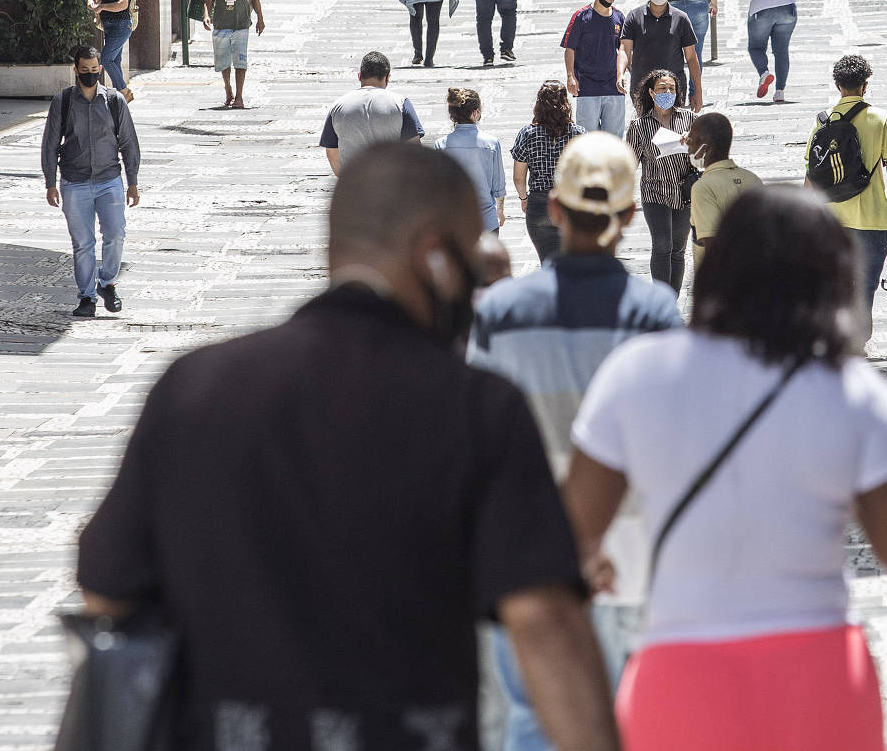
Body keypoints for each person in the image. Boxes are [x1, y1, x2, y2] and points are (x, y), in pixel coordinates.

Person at [76, 145, 618, 751]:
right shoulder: (477, 410)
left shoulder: (194, 390)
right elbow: (545, 624)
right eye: (469, 265)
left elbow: (105, 584)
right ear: (435, 256)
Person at [561, 184, 887, 751]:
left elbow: (569, 535)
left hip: (680, 673)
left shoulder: (637, 374)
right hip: (818, 672)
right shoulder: (850, 390)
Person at [471, 134, 679, 751]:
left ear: (554, 209)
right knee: (621, 718)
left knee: (531, 717)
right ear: (631, 217)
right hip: (628, 553)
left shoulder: (502, 313)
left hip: (524, 554)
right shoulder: (654, 313)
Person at [42, 43, 142, 319]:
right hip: (74, 182)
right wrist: (50, 181)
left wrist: (132, 181)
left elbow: (129, 142)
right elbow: (50, 143)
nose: (89, 74)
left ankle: (107, 282)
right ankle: (86, 297)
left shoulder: (113, 101)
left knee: (115, 235)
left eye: (94, 70)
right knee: (82, 243)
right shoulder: (62, 102)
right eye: (84, 70)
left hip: (109, 179)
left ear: (100, 70)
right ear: (75, 70)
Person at [816, 53, 887, 344]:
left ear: (837, 85)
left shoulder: (823, 121)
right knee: (866, 285)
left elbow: (811, 173)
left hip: (832, 220)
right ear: (865, 85)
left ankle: (841, 339)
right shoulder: (881, 119)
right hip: (873, 218)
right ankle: (858, 340)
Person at [626, 70, 697, 292]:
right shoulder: (639, 126)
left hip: (684, 192)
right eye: (662, 89)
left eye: (671, 89)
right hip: (654, 192)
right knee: (662, 245)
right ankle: (659, 297)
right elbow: (629, 162)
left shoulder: (690, 119)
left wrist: (693, 143)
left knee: (678, 248)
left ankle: (672, 299)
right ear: (651, 92)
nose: (667, 92)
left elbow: (705, 153)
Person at [513, 82, 585, 263]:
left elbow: (518, 177)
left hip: (539, 203)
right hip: (570, 203)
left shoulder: (528, 133)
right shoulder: (578, 134)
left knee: (548, 264)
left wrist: (524, 199)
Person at [320, 51, 426, 172]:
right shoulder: (401, 103)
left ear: (359, 76)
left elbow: (332, 152)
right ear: (387, 77)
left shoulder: (338, 106)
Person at [198, 0, 266, 105]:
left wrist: (260, 18)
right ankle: (228, 89)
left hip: (241, 24)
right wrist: (206, 15)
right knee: (223, 61)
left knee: (241, 61)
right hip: (221, 24)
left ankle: (240, 96)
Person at [621, 0, 703, 109]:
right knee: (647, 128)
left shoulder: (681, 18)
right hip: (643, 89)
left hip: (673, 88)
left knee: (672, 129)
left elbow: (692, 58)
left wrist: (698, 92)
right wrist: (621, 73)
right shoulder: (634, 16)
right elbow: (624, 49)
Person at [561, 0, 629, 133]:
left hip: (614, 87)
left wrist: (621, 75)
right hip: (587, 87)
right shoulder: (581, 16)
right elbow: (569, 48)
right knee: (587, 138)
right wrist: (570, 76)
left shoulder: (619, 17)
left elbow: (623, 49)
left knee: (614, 140)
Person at [436, 86, 509, 232]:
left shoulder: (441, 144)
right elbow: (498, 184)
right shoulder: (491, 143)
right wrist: (500, 210)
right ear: (475, 113)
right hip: (486, 219)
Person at [686, 113, 758, 256]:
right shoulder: (752, 179)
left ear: (704, 148)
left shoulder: (703, 188)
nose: (688, 147)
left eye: (691, 141)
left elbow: (711, 245)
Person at [88, 0, 138, 100]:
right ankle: (121, 95)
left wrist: (102, 7)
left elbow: (122, 4)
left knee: (106, 59)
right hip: (110, 26)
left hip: (121, 26)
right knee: (115, 60)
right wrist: (92, 0)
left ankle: (123, 91)